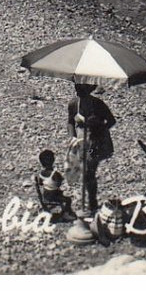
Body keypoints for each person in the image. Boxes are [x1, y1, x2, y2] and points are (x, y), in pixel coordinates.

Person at [67, 83, 116, 214]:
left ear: (89, 89)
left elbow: (111, 121)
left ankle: (91, 203)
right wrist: (72, 137)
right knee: (83, 170)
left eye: (81, 88)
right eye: (77, 87)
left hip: (96, 143)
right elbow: (71, 122)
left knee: (89, 171)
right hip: (81, 142)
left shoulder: (98, 105)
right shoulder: (73, 104)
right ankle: (88, 203)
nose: (78, 90)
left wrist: (99, 128)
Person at [33, 150, 71, 221]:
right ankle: (65, 214)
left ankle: (46, 211)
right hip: (54, 197)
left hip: (45, 197)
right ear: (53, 160)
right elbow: (59, 183)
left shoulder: (41, 174)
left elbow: (40, 183)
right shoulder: (55, 174)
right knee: (68, 200)